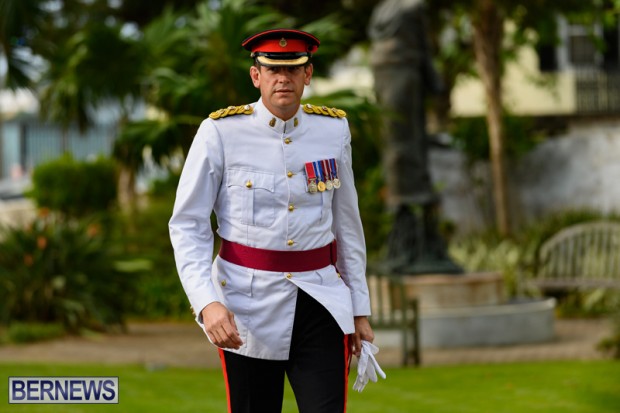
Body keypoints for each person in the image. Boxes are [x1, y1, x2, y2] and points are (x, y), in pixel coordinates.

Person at [169, 28, 374, 413]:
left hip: (321, 299)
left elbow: (347, 224)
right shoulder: (220, 132)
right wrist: (206, 302)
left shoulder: (333, 130)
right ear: (256, 76)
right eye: (273, 70)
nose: (283, 78)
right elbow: (187, 225)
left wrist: (359, 309)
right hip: (246, 306)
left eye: (293, 69)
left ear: (308, 74)